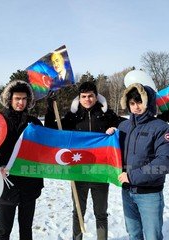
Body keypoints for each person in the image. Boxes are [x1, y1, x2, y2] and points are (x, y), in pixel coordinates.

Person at [45, 81, 125, 240]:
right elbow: (51, 129)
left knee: (101, 213)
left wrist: (116, 129)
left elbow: (129, 125)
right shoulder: (72, 117)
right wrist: (49, 108)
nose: (87, 99)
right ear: (79, 98)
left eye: (90, 96)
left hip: (100, 173)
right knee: (78, 213)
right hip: (78, 172)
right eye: (84, 96)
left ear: (96, 97)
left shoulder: (106, 115)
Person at [106, 83, 169, 240]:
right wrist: (110, 137)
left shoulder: (161, 128)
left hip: (149, 194)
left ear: (148, 103)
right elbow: (114, 153)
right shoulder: (123, 126)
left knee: (153, 236)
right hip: (127, 192)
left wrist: (132, 176)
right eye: (132, 103)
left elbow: (165, 162)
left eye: (140, 102)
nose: (136, 107)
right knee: (134, 234)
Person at [0, 80, 44, 240]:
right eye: (17, 98)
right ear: (10, 99)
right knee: (4, 229)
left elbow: (46, 143)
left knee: (26, 228)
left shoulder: (34, 123)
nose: (21, 102)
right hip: (5, 183)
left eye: (24, 99)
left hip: (29, 183)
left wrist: (51, 109)